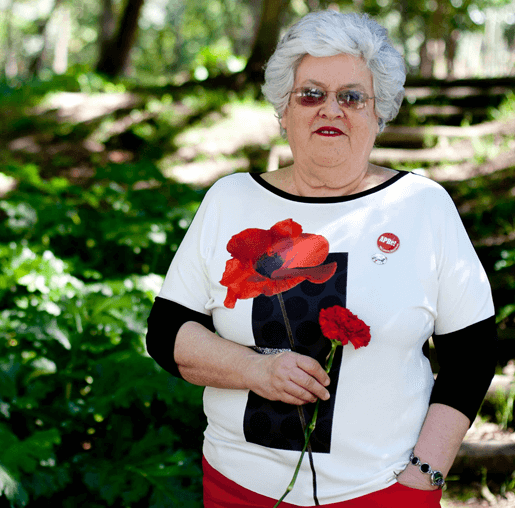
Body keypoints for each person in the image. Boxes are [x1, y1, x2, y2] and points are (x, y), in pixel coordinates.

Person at [146, 10, 496, 507]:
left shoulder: (424, 208)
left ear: (379, 112)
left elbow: (473, 357)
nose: (330, 109)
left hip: (382, 491)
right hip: (239, 488)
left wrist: (424, 477)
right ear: (283, 110)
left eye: (352, 96)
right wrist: (255, 370)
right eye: (311, 94)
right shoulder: (230, 201)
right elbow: (166, 333)